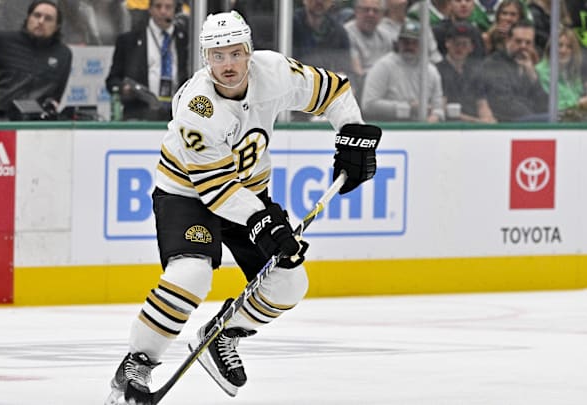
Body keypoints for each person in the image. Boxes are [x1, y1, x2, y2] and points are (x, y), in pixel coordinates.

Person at [104, 10, 381, 405]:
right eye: (218, 55)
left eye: (236, 53)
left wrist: (350, 134)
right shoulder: (197, 109)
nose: (228, 64)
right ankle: (137, 364)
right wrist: (263, 222)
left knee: (289, 282)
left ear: (250, 51)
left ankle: (222, 336)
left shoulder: (276, 72)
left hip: (249, 191)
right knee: (191, 275)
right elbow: (215, 189)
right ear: (205, 58)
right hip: (189, 195)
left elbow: (334, 90)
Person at [105, 0, 189, 121]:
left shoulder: (185, 40)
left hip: (177, 116)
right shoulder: (129, 41)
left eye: (168, 7)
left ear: (175, 10)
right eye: (158, 6)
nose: (163, 11)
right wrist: (124, 88)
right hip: (139, 115)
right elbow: (112, 80)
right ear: (150, 9)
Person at [0, 0, 72, 119]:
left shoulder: (63, 54)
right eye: (37, 15)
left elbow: (56, 95)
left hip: (37, 123)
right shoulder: (2, 41)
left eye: (48, 19)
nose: (40, 21)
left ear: (57, 27)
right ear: (28, 18)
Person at [362, 18, 445, 122]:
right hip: (390, 127)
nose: (410, 46)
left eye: (414, 42)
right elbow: (368, 104)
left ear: (422, 45)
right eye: (406, 42)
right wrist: (407, 107)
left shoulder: (430, 71)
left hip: (423, 128)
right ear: (398, 42)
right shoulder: (383, 66)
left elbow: (438, 107)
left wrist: (435, 117)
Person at [477, 20, 548, 121]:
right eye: (518, 41)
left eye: (528, 43)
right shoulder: (493, 64)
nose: (523, 46)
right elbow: (504, 103)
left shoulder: (528, 66)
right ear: (508, 40)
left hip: (531, 122)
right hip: (507, 125)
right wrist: (534, 117)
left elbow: (545, 105)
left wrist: (532, 75)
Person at [436, 22, 495, 122]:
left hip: (474, 127)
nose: (459, 48)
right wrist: (476, 121)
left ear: (471, 47)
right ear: (447, 43)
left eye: (464, 44)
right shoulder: (438, 70)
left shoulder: (474, 72)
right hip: (448, 128)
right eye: (456, 43)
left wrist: (490, 121)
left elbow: (482, 104)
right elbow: (443, 109)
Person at [344, 0, 395, 100]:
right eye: (366, 10)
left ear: (382, 15)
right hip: (359, 89)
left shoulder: (385, 36)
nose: (370, 14)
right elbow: (358, 72)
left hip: (385, 89)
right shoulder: (346, 34)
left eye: (375, 11)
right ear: (356, 11)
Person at [535, 26, 584, 113]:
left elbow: (579, 95)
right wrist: (579, 105)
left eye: (569, 47)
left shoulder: (573, 73)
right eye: (559, 45)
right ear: (551, 47)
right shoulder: (540, 72)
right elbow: (551, 106)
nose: (563, 50)